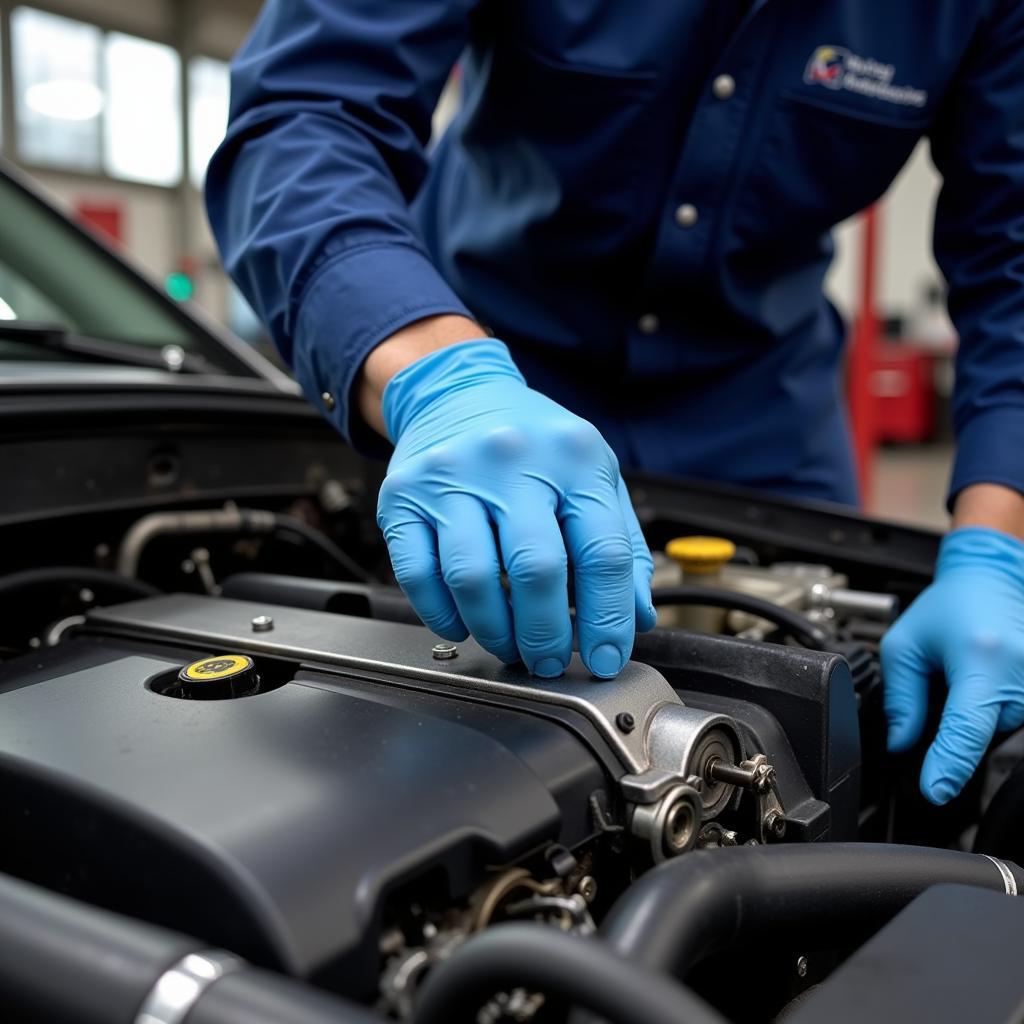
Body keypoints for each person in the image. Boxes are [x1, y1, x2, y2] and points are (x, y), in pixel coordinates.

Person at [206, 1, 1024, 806]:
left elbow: (1012, 262)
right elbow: (306, 112)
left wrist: (998, 548)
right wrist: (437, 379)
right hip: (487, 392)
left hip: (762, 422)